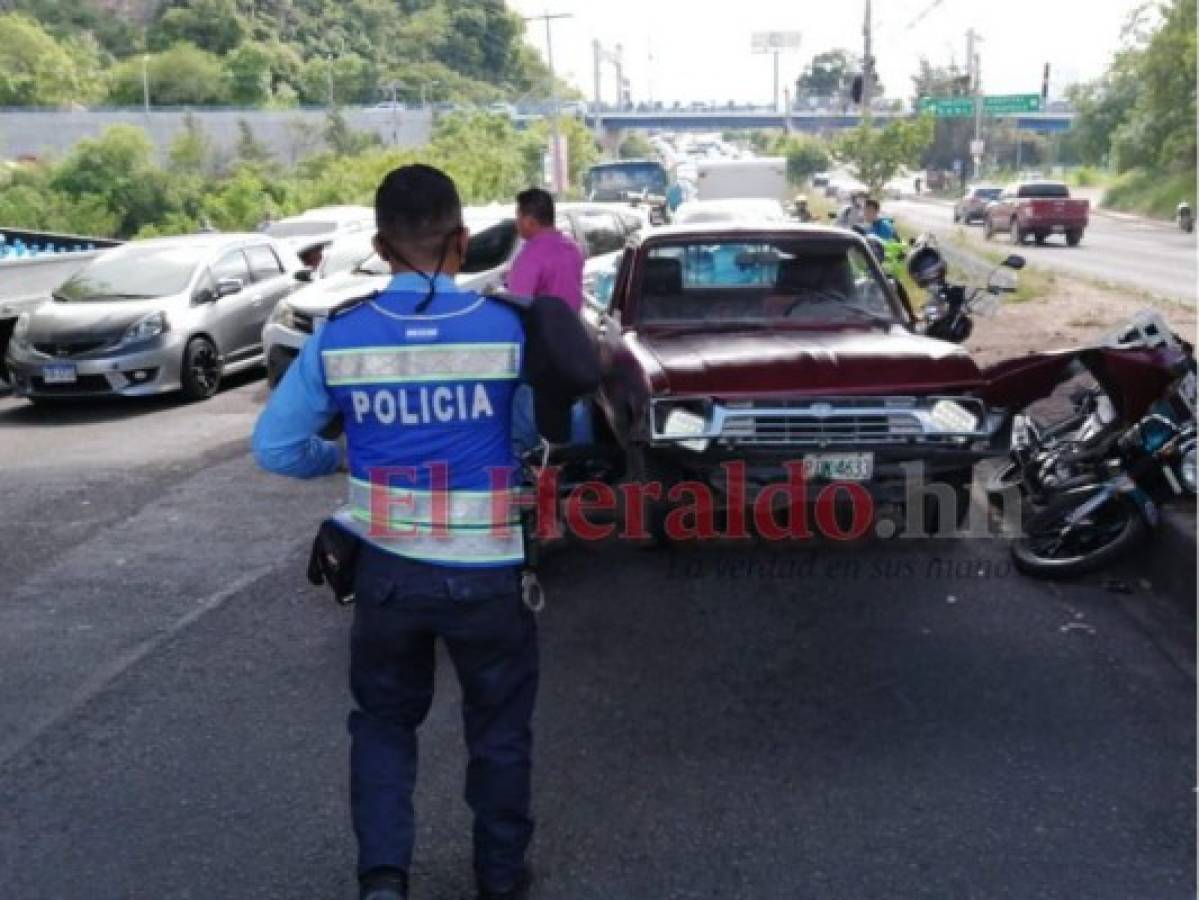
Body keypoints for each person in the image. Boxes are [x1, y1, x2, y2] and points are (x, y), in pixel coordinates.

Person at [253, 164, 596, 900]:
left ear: (379, 246)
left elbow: (276, 448)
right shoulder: (505, 327)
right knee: (498, 730)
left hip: (385, 575)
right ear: (463, 241)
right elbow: (563, 426)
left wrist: (343, 456)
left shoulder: (341, 336)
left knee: (382, 726)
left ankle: (383, 882)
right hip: (488, 574)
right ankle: (500, 878)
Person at [506, 187, 584, 313]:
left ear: (529, 221)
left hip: (544, 330)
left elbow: (516, 306)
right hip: (572, 328)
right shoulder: (573, 248)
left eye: (518, 217)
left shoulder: (531, 256)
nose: (517, 223)